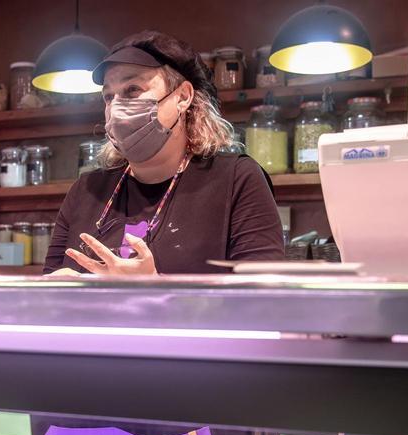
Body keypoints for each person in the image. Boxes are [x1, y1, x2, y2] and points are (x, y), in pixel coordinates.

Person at [44, 31, 284, 276]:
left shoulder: (237, 179)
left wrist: (154, 287)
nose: (116, 107)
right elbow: (48, 287)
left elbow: (263, 299)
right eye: (108, 96)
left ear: (183, 96)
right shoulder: (86, 190)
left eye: (133, 89)